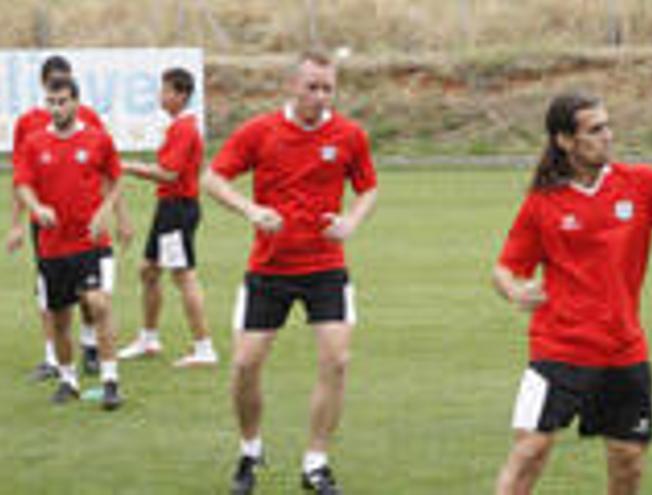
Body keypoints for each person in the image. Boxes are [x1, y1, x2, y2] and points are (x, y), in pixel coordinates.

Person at [493, 92, 652, 495]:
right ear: (565, 140)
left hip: (623, 350)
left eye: (608, 126)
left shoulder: (639, 184)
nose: (608, 136)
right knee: (529, 451)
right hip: (558, 350)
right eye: (595, 130)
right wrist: (515, 292)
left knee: (628, 463)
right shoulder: (543, 204)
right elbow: (505, 269)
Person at [203, 51, 377, 495]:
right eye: (312, 87)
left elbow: (368, 188)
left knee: (337, 360)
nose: (321, 96)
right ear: (292, 87)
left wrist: (351, 223)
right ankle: (250, 448)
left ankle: (316, 463)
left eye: (328, 88)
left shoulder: (349, 135)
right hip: (269, 268)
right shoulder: (260, 131)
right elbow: (213, 178)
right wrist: (251, 210)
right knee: (244, 365)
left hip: (325, 268)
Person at [5, 54, 132, 381]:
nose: (57, 104)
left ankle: (90, 345)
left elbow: (109, 172)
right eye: (52, 92)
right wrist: (18, 223)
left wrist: (119, 216)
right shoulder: (28, 126)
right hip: (47, 229)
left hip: (87, 229)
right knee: (49, 297)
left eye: (64, 93)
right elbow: (21, 179)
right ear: (43, 87)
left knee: (92, 298)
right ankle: (54, 360)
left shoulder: (90, 121)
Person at [117, 67, 217, 368]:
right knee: (148, 270)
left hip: (177, 209)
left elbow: (168, 174)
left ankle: (204, 348)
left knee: (182, 276)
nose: (161, 96)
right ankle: (148, 338)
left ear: (181, 95)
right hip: (170, 209)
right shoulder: (179, 127)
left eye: (165, 91)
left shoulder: (183, 129)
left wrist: (127, 166)